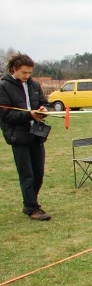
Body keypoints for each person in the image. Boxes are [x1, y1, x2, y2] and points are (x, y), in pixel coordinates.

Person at [0, 52, 52, 220]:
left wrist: (43, 110)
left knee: (38, 173)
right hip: (18, 137)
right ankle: (32, 208)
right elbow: (5, 115)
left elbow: (43, 102)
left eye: (29, 73)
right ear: (14, 69)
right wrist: (29, 115)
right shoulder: (3, 87)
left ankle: (29, 202)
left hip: (36, 135)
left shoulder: (34, 85)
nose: (27, 76)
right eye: (24, 72)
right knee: (27, 174)